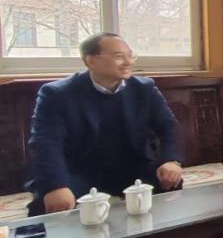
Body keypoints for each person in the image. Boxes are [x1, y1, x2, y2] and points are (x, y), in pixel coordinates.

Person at [27, 32, 183, 215]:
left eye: (131, 56)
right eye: (119, 56)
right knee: (49, 202)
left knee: (170, 180)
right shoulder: (57, 94)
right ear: (91, 61)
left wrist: (171, 160)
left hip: (132, 166)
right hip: (79, 171)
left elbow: (168, 126)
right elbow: (46, 142)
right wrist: (56, 186)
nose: (128, 62)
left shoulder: (144, 88)